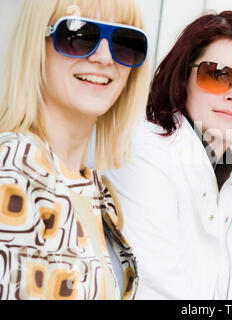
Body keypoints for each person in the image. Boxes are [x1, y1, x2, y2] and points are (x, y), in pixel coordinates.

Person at [103, 11, 232, 299]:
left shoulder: (227, 171)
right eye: (217, 75)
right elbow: (157, 292)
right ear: (182, 76)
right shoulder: (146, 154)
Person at [0, 0, 150, 300]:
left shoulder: (99, 191)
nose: (105, 58)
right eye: (79, 36)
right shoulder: (15, 168)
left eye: (124, 42)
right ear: (36, 45)